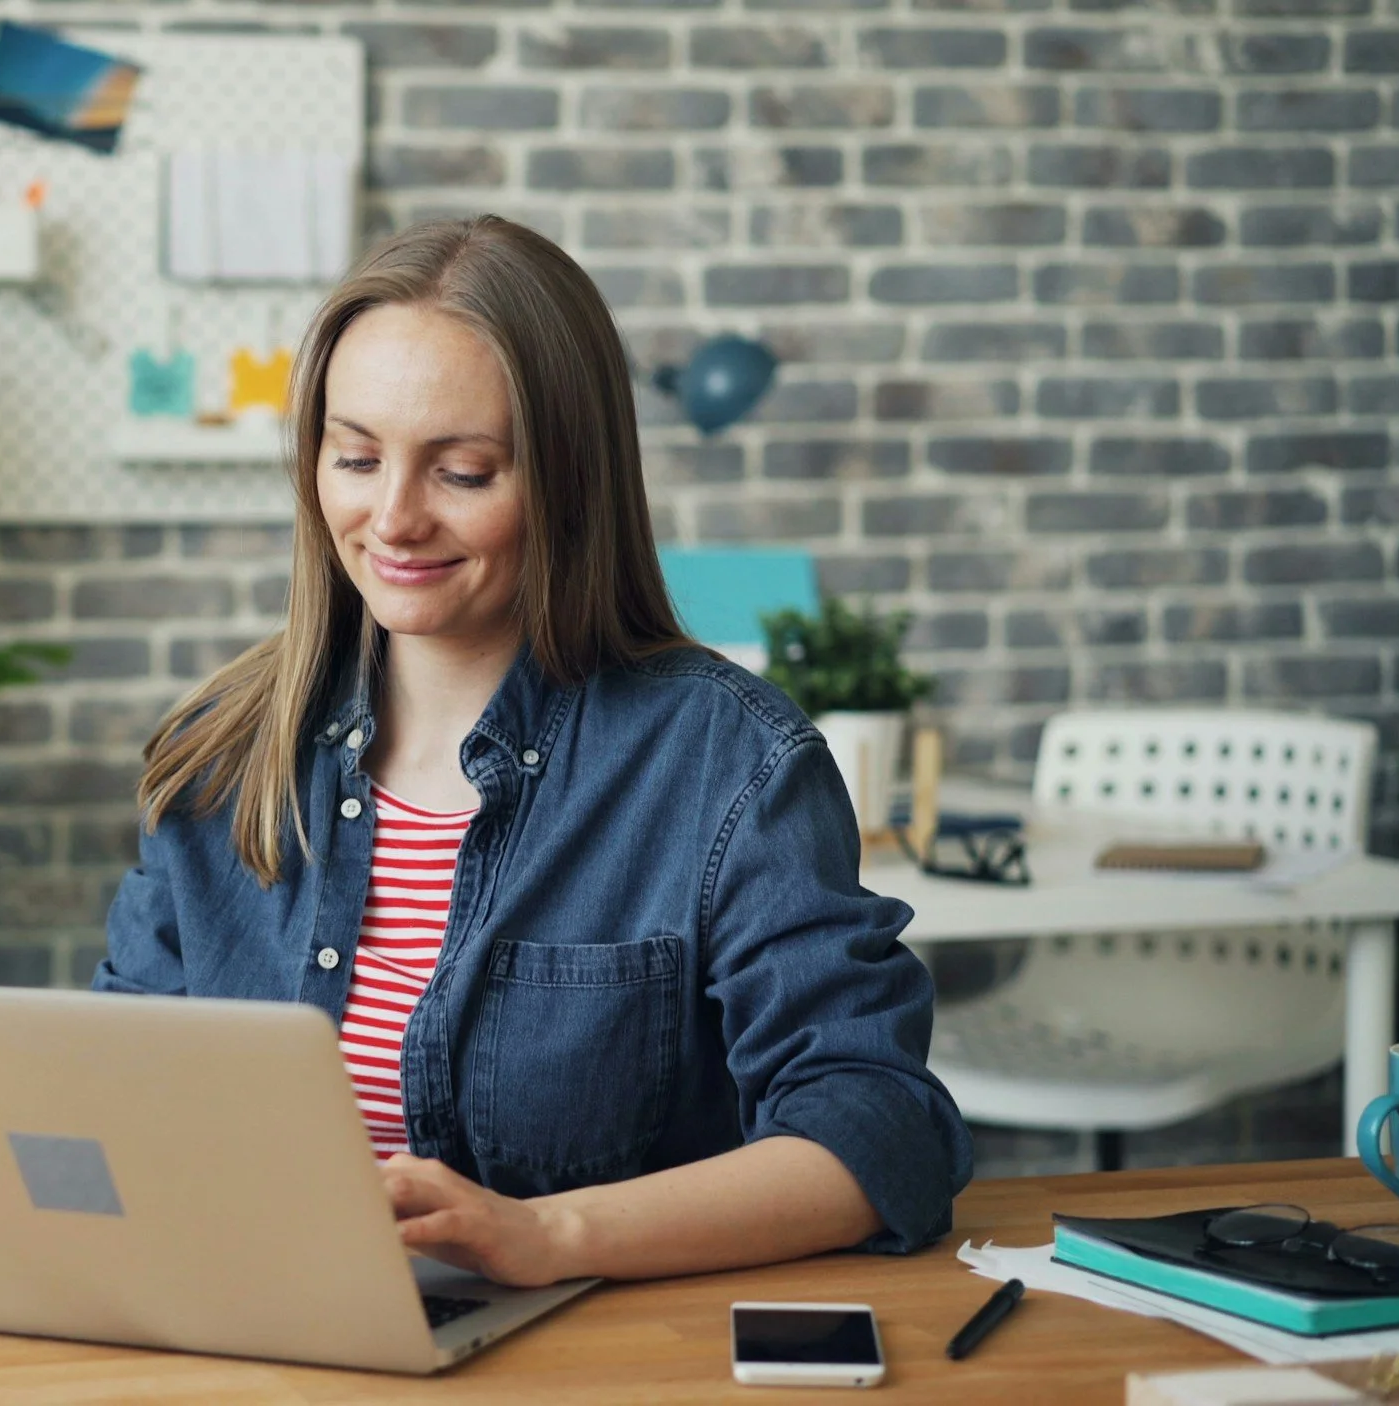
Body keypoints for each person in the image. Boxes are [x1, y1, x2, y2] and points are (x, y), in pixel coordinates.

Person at [94, 216, 971, 1289]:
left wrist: (546, 1234)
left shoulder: (725, 764)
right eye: (357, 456)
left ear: (566, 482)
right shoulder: (221, 760)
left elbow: (879, 1127)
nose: (393, 517)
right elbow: (114, 1093)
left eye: (462, 472)